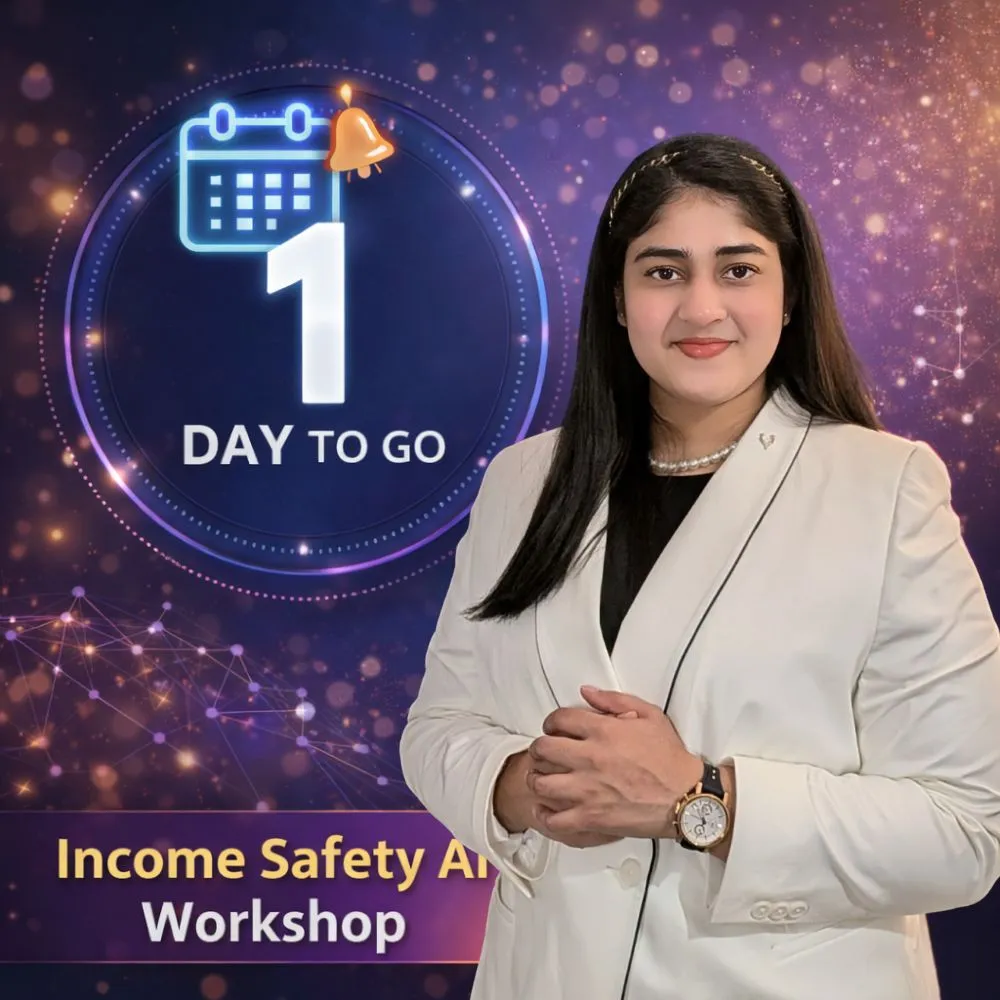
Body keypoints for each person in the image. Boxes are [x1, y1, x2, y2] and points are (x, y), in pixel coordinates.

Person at [398, 132, 1000, 1000]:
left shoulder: (885, 488)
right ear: (617, 294)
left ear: (791, 295)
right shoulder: (523, 483)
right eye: (664, 271)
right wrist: (523, 783)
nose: (702, 308)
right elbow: (439, 727)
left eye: (740, 269)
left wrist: (696, 799)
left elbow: (966, 830)